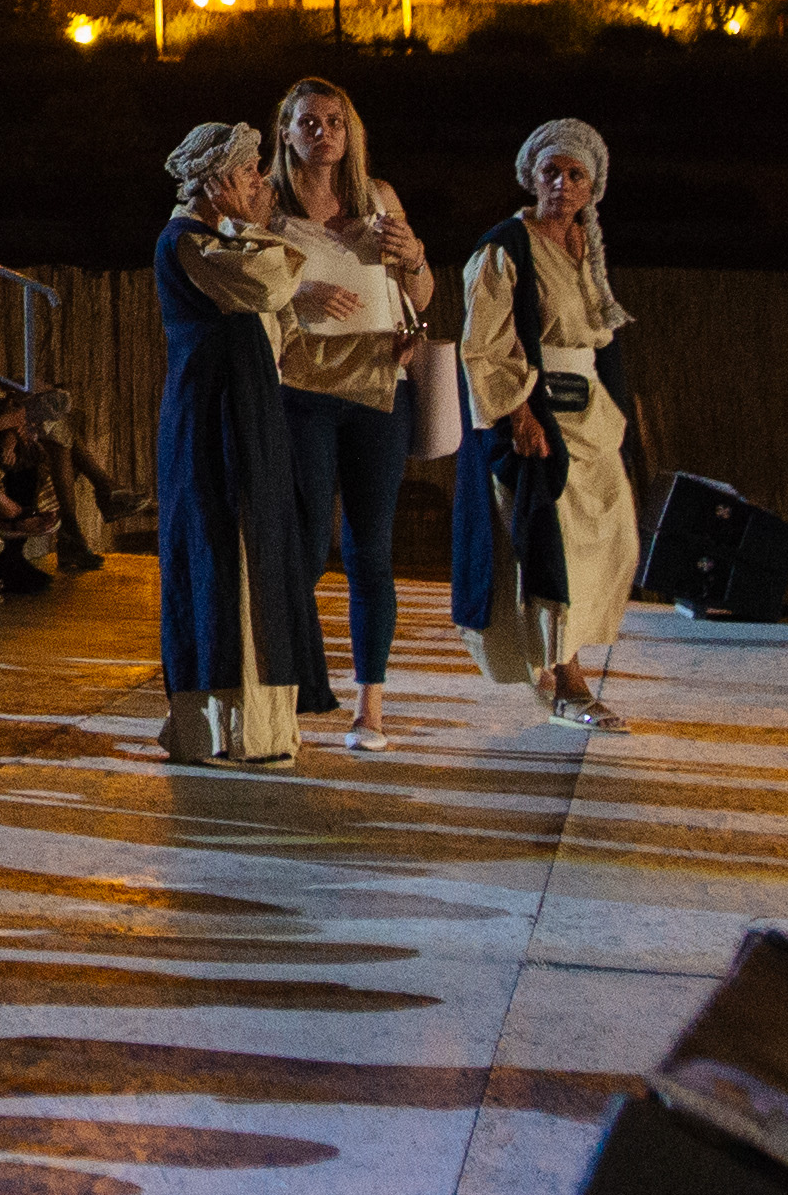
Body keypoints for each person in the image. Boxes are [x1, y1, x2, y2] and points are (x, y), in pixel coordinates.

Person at [148, 117, 334, 768]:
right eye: (252, 173)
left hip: (249, 415)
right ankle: (220, 730)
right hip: (214, 424)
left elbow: (276, 312)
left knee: (258, 556)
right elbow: (269, 282)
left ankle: (264, 727)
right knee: (222, 557)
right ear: (222, 179)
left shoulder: (223, 239)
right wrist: (254, 227)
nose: (262, 184)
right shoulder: (190, 242)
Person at [266, 73, 434, 755]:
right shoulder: (266, 205)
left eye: (334, 122)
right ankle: (290, 693)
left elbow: (420, 295)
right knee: (303, 549)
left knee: (372, 548)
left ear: (350, 131)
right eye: (308, 122)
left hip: (376, 387)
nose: (323, 133)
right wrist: (295, 294)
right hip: (301, 386)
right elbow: (236, 285)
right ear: (285, 131)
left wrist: (415, 256)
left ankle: (372, 708)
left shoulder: (378, 198)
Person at [455, 115, 641, 729]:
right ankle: (564, 676)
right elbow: (484, 343)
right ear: (531, 178)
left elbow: (599, 338)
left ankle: (566, 661)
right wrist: (518, 413)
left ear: (593, 186)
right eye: (551, 172)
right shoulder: (506, 247)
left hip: (591, 415)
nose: (562, 184)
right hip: (541, 411)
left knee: (610, 539)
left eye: (575, 174)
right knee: (551, 547)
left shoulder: (588, 247)